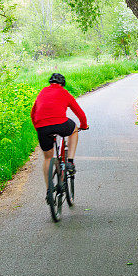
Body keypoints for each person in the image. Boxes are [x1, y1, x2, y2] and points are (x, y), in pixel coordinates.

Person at [30, 73, 88, 202]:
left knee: (48, 158)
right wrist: (83, 125)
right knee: (73, 130)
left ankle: (49, 190)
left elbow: (33, 113)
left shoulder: (42, 92)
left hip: (42, 127)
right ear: (63, 84)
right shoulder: (64, 92)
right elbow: (79, 112)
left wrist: (39, 129)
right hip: (60, 124)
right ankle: (70, 162)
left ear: (50, 83)